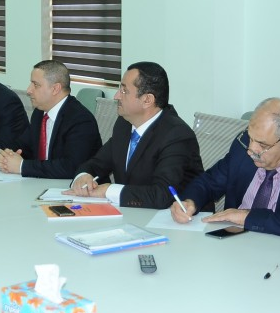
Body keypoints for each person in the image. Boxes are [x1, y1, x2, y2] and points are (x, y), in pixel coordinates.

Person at [171, 98, 280, 235]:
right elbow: (209, 182)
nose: (251, 149)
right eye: (250, 137)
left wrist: (247, 217)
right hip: (232, 244)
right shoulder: (243, 144)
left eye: (262, 144)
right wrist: (190, 202)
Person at [66, 61, 202, 208]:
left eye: (124, 91)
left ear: (147, 100)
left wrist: (108, 190)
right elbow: (96, 163)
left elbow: (162, 195)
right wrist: (83, 176)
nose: (116, 96)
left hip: (177, 218)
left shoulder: (177, 135)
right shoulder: (124, 124)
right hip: (133, 214)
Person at [0, 60, 101, 179]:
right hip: (43, 182)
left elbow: (71, 167)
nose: (29, 90)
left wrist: (22, 166)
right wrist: (6, 157)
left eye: (36, 85)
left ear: (55, 88)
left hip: (76, 187)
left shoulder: (81, 120)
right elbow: (23, 147)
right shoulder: (39, 113)